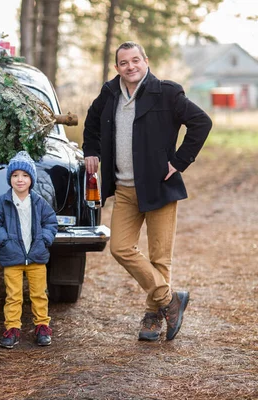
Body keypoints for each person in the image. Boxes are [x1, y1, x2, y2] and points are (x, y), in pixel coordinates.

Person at [82, 41, 212, 341]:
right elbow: (91, 122)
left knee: (159, 258)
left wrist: (180, 161)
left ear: (146, 61)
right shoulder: (110, 92)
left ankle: (153, 317)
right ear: (117, 67)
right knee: (120, 248)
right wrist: (91, 150)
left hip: (159, 188)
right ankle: (170, 300)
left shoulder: (166, 92)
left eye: (135, 60)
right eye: (124, 62)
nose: (131, 67)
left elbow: (201, 122)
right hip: (125, 190)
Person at [0, 151, 58, 348]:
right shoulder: (2, 202)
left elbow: (51, 222)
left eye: (25, 175)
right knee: (13, 296)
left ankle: (42, 326)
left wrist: (45, 239)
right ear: (10, 178)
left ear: (31, 179)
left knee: (39, 295)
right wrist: (5, 241)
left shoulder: (39, 202)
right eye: (15, 175)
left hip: (36, 256)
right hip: (12, 257)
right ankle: (12, 328)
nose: (20, 179)